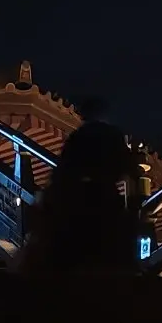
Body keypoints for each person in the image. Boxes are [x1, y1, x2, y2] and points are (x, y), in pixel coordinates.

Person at [39, 95, 140, 273]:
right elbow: (127, 166)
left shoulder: (78, 137)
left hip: (80, 200)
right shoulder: (113, 136)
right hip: (107, 197)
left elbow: (64, 169)